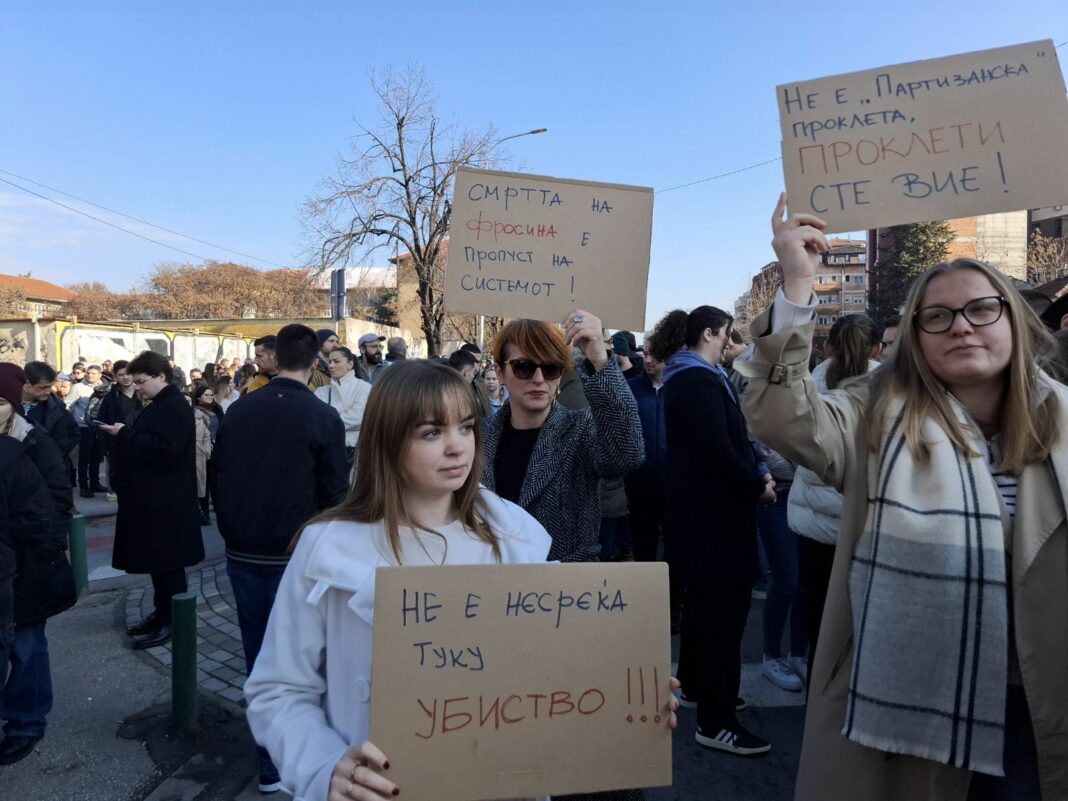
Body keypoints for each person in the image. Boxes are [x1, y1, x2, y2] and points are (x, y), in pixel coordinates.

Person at [736, 194, 1068, 801]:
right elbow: (781, 418)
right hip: (907, 701)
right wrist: (796, 283)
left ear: (1014, 321)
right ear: (915, 337)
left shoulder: (1064, 419)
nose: (961, 325)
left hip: (1040, 705)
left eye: (981, 309)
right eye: (936, 317)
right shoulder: (873, 412)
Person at [245, 361, 652, 801]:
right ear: (388, 440)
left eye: (466, 427)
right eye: (431, 432)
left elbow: (557, 675)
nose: (458, 447)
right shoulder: (327, 549)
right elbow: (279, 689)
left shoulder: (514, 536)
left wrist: (628, 697)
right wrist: (324, 768)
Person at [213, 323, 349, 794]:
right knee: (309, 658)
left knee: (260, 657)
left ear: (274, 358)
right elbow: (337, 493)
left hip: (244, 550)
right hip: (296, 554)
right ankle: (305, 758)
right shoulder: (320, 415)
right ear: (314, 364)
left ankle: (270, 762)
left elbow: (218, 475)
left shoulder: (239, 409)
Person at [649, 305, 776, 757]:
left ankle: (701, 687)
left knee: (706, 613)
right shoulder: (698, 380)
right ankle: (717, 721)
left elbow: (729, 442)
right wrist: (756, 485)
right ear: (708, 333)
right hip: (716, 524)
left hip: (704, 523)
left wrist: (754, 472)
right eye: (726, 335)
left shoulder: (691, 378)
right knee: (724, 620)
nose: (730, 343)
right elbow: (721, 450)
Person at [481, 311, 644, 564]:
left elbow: (628, 455)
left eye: (550, 368)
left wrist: (599, 359)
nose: (538, 379)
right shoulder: (476, 437)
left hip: (565, 590)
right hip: (491, 584)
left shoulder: (580, 428)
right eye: (523, 367)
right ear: (500, 373)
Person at [786, 314, 880, 683]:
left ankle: (817, 711)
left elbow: (793, 448)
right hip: (866, 523)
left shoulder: (807, 388)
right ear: (878, 348)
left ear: (826, 347)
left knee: (819, 628)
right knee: (865, 630)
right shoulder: (893, 388)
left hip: (812, 526)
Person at [98, 351, 204, 650]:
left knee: (169, 565)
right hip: (155, 500)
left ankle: (174, 621)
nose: (138, 388)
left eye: (142, 381)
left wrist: (125, 435)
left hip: (166, 503)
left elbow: (166, 451)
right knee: (160, 565)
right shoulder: (160, 404)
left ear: (161, 376)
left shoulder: (173, 406)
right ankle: (162, 615)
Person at [0, 365, 76, 765]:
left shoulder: (33, 441)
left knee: (26, 645)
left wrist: (43, 550)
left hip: (29, 563)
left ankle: (26, 721)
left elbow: (58, 500)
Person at [0, 405, 53, 765]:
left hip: (19, 572)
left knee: (26, 646)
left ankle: (26, 723)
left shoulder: (26, 445)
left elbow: (46, 513)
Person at [624, 336, 677, 617]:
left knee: (674, 548)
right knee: (643, 547)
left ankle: (672, 606)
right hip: (639, 483)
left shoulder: (680, 390)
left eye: (654, 355)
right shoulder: (631, 389)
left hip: (674, 485)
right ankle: (644, 608)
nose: (647, 359)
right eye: (645, 354)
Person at [314, 345, 371, 475]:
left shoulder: (364, 388)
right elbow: (316, 419)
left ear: (350, 364)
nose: (331, 365)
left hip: (358, 453)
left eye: (336, 361)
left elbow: (358, 417)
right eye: (329, 361)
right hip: (328, 453)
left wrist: (329, 423)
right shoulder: (321, 391)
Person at [95, 360, 142, 499]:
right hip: (117, 442)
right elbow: (102, 420)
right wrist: (106, 445)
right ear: (116, 376)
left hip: (139, 439)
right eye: (121, 375)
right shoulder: (110, 396)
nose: (125, 377)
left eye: (128, 374)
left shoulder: (142, 392)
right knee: (118, 472)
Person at [21, 361, 78, 460]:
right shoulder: (8, 406)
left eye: (50, 386)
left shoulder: (57, 408)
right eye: (43, 387)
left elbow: (74, 434)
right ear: (26, 383)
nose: (48, 391)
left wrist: (54, 454)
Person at [65, 364, 107, 498]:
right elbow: (68, 404)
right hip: (83, 426)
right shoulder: (78, 387)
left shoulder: (106, 387)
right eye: (88, 373)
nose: (90, 375)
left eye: (93, 373)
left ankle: (95, 483)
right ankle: (84, 485)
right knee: (84, 457)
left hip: (100, 427)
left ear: (100, 375)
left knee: (97, 457)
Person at [448, 348, 492, 418]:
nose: (473, 376)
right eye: (473, 371)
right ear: (466, 372)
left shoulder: (443, 390)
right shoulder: (453, 395)